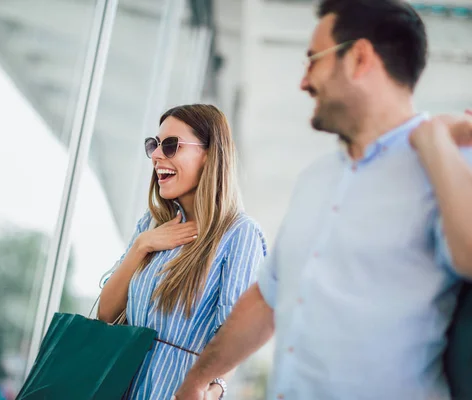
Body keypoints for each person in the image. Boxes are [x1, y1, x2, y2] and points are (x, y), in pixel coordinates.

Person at [174, 1, 472, 399]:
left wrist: (434, 138)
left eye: (313, 59)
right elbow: (267, 297)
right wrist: (194, 382)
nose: (303, 81)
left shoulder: (450, 162)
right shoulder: (315, 179)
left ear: (360, 58)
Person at [97, 104, 267, 399]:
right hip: (122, 389)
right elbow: (106, 313)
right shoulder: (150, 225)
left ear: (209, 155)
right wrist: (142, 245)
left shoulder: (240, 234)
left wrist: (214, 389)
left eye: (171, 145)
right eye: (155, 145)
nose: (157, 155)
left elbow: (234, 332)